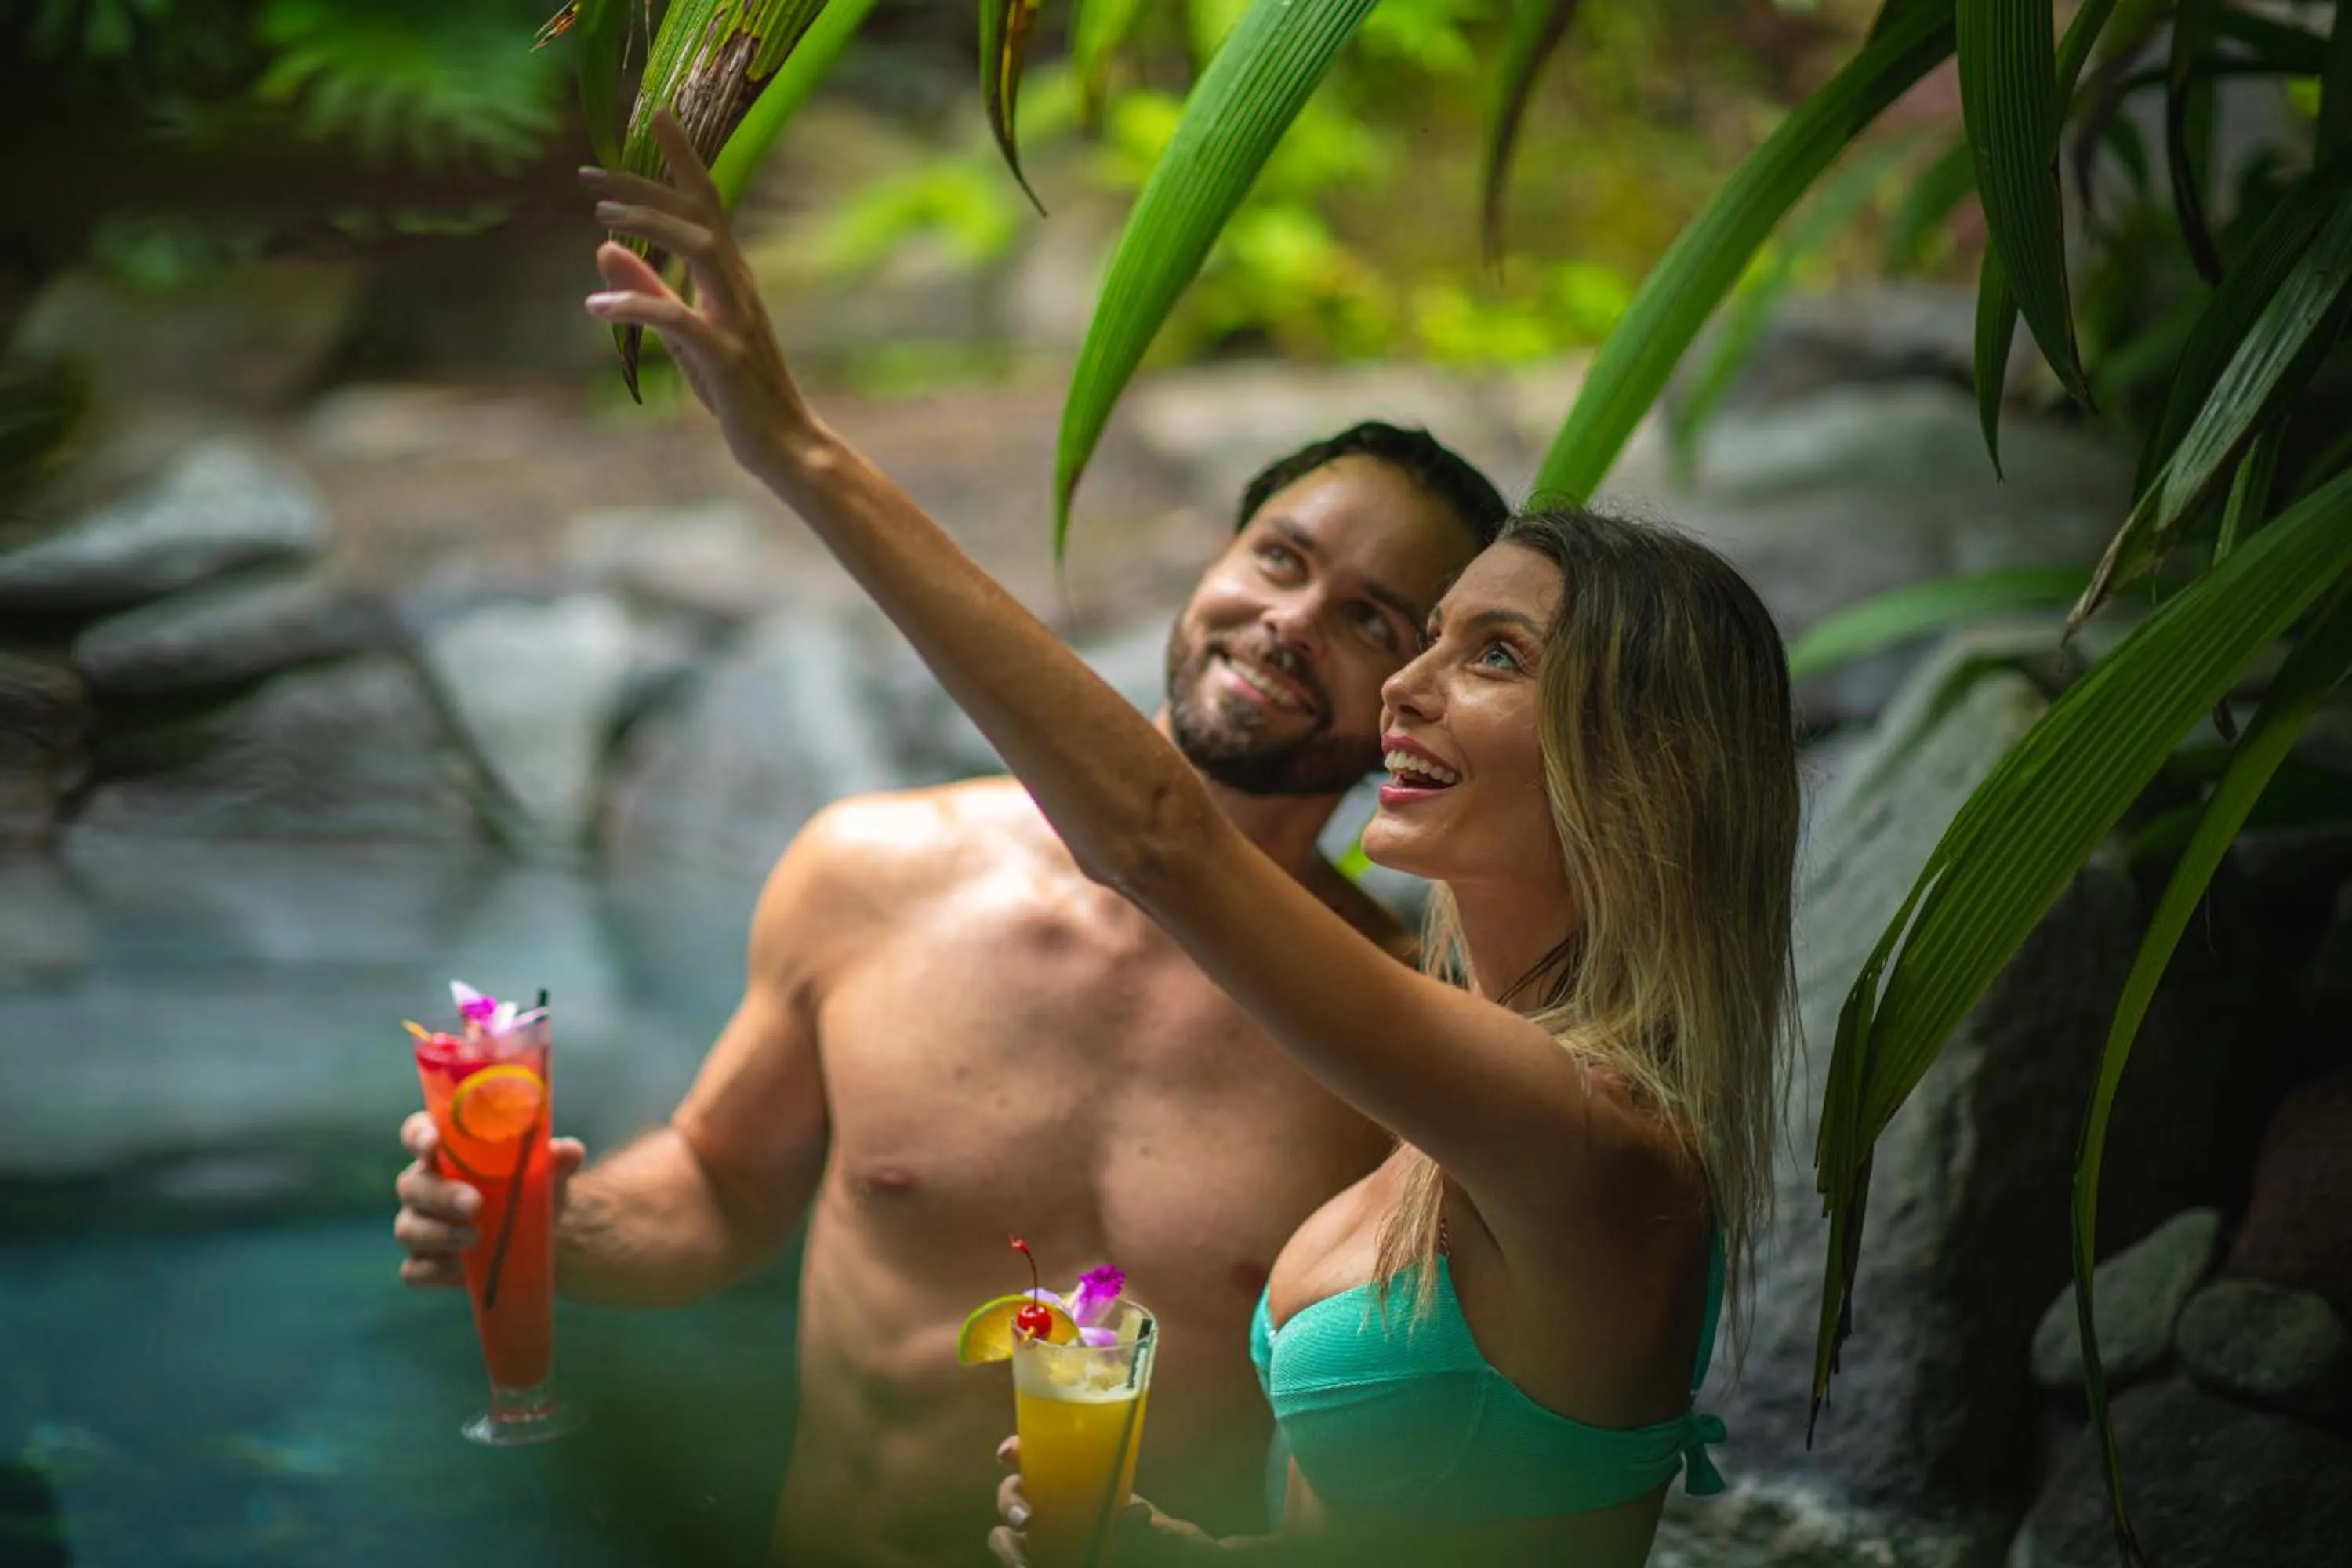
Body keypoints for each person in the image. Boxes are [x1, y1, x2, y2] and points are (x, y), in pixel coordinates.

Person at [577, 111, 1801, 1567]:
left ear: (1634, 770)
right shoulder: (1459, 1081)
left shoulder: (1593, 1138)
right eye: (1285, 562)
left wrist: (796, 449)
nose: (1397, 678)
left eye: (1477, 654)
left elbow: (1160, 841)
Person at [394, 183, 1508, 1568]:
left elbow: (1413, 1491)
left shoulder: (1394, 1038)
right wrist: (563, 1229)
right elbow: (726, 1188)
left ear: (1412, 695)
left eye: (1368, 618)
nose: (1289, 623)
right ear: (1210, 563)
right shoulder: (873, 873)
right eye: (1277, 558)